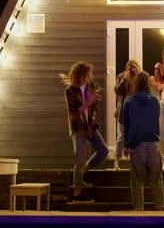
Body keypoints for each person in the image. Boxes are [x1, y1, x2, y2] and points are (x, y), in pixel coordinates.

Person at [60, 61, 109, 203]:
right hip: (78, 127)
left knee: (103, 150)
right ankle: (77, 194)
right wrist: (88, 102)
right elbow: (73, 114)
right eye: (88, 73)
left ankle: (81, 174)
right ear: (82, 74)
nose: (90, 76)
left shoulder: (90, 86)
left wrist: (93, 102)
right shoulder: (70, 90)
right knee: (79, 159)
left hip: (90, 126)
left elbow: (93, 107)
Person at [123, 71, 164, 211]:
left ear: (135, 83)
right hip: (153, 142)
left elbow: (126, 125)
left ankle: (138, 210)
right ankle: (160, 209)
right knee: (156, 179)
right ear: (148, 84)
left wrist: (126, 145)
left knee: (137, 181)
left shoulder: (128, 101)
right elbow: (156, 120)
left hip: (136, 144)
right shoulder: (155, 101)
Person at [113, 60, 142, 170]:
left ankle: (135, 163)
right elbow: (117, 90)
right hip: (123, 112)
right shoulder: (121, 76)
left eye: (134, 67)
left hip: (136, 113)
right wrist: (124, 79)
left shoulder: (140, 78)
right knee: (121, 138)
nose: (131, 70)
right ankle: (116, 162)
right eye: (129, 68)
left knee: (135, 138)